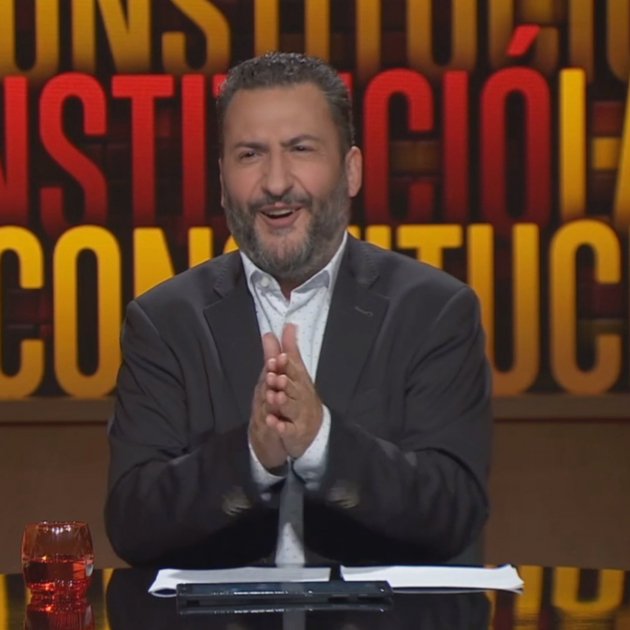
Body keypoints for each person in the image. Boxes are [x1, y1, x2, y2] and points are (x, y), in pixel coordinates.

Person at [105, 52, 492, 568]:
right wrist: (251, 458)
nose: (275, 182)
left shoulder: (434, 311)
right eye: (250, 154)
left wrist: (321, 443)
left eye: (300, 149)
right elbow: (133, 523)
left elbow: (454, 510)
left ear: (351, 170)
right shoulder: (165, 321)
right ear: (221, 179)